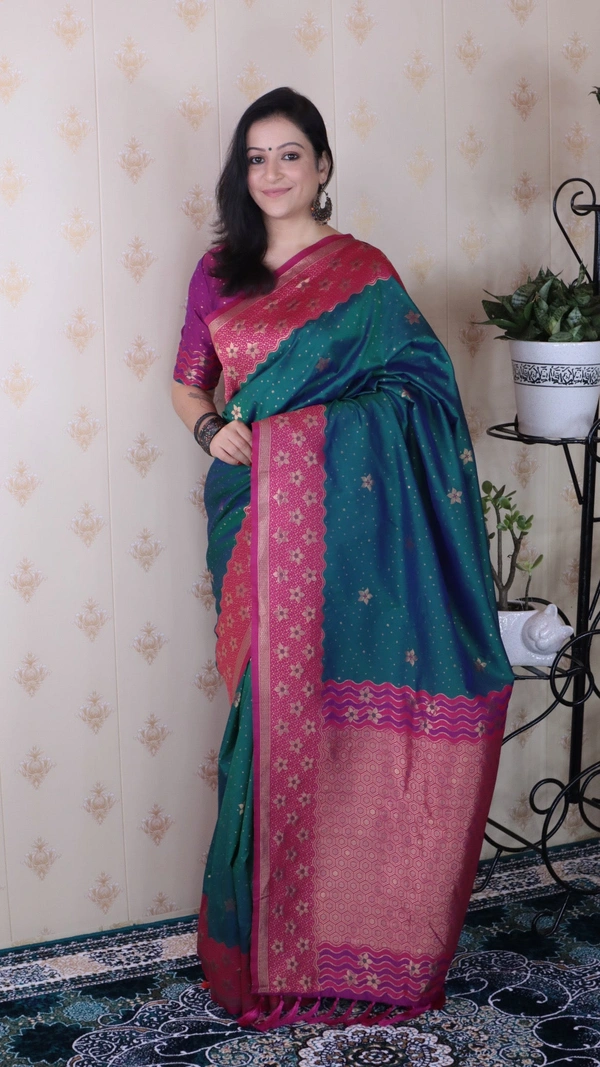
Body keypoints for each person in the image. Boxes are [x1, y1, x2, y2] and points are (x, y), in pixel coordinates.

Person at [172, 87, 513, 1031]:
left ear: (322, 165)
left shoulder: (364, 275)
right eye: (255, 157)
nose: (272, 172)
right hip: (254, 518)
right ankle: (263, 952)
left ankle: (365, 946)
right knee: (265, 716)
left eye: (289, 154)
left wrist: (302, 437)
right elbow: (189, 384)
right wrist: (209, 431)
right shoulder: (220, 271)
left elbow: (422, 394)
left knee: (340, 713)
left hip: (349, 529)